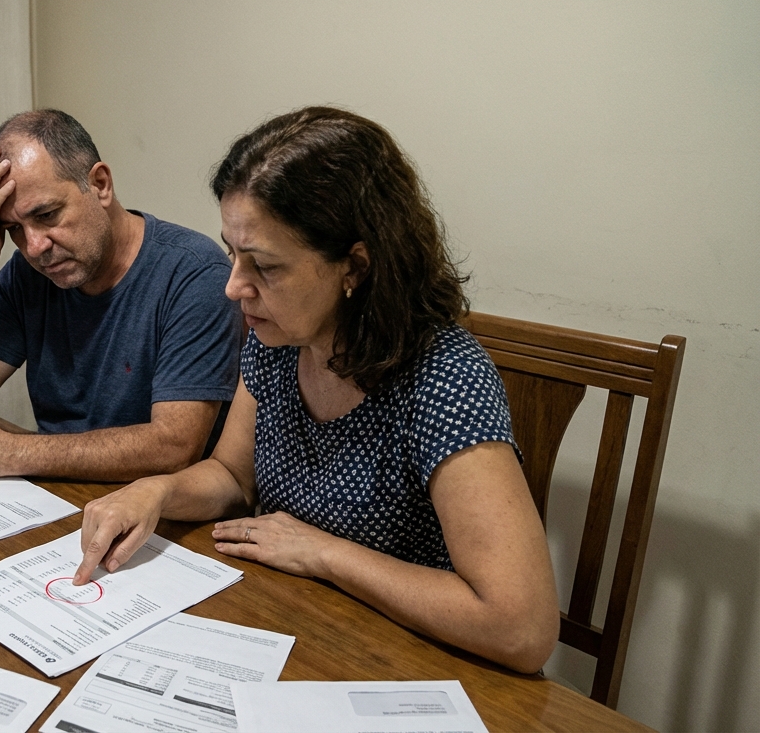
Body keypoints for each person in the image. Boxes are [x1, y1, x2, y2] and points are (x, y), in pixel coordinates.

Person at [73, 107, 560, 673]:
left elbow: (520, 628)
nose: (235, 288)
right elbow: (232, 476)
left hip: (412, 662)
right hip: (302, 627)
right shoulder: (280, 338)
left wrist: (324, 553)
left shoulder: (444, 379)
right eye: (232, 254)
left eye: (265, 267)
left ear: (354, 266)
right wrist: (153, 492)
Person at [0, 110, 241, 481]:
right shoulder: (28, 273)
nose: (35, 246)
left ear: (101, 184)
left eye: (46, 215)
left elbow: (174, 447)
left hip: (163, 519)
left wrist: (10, 451)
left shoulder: (194, 274)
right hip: (56, 499)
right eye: (13, 228)